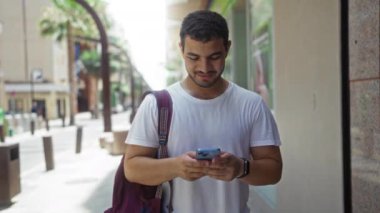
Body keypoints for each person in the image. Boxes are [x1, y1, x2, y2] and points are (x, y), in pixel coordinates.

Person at [124, 10, 282, 213]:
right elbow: (132, 168)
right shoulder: (157, 105)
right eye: (193, 57)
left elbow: (274, 170)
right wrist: (176, 167)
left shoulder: (251, 104)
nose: (204, 67)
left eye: (214, 57)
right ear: (181, 49)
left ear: (227, 48)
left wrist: (240, 168)